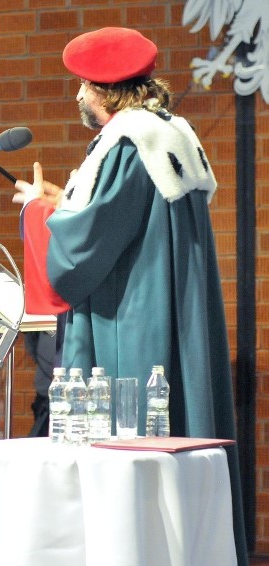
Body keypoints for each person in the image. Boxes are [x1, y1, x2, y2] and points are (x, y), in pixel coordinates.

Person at [12, 26, 246, 565]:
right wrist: (63, 197)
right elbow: (124, 217)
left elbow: (88, 244)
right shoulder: (170, 130)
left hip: (133, 311)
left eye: (82, 86)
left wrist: (40, 213)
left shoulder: (125, 141)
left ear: (102, 90)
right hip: (171, 304)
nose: (77, 96)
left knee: (134, 430)